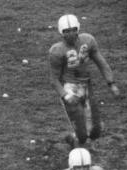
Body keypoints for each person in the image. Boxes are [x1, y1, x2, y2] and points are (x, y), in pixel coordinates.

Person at [48, 14, 120, 147]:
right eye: (66, 31)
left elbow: (101, 62)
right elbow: (54, 79)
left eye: (73, 29)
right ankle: (75, 140)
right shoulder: (57, 51)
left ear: (78, 29)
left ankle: (74, 137)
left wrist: (111, 83)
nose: (70, 34)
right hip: (69, 87)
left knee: (95, 131)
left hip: (86, 86)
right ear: (61, 33)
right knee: (82, 135)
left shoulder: (88, 41)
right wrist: (66, 95)